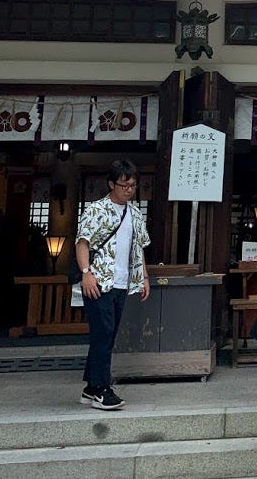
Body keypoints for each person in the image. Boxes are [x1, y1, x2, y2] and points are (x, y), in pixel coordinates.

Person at [75, 158, 151, 411]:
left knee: (107, 334)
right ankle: (101, 387)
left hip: (122, 282)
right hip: (98, 280)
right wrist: (86, 272)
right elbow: (82, 242)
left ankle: (90, 387)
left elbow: (138, 248)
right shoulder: (97, 209)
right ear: (111, 184)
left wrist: (144, 278)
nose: (128, 190)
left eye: (132, 186)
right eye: (124, 185)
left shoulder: (135, 213)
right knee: (103, 333)